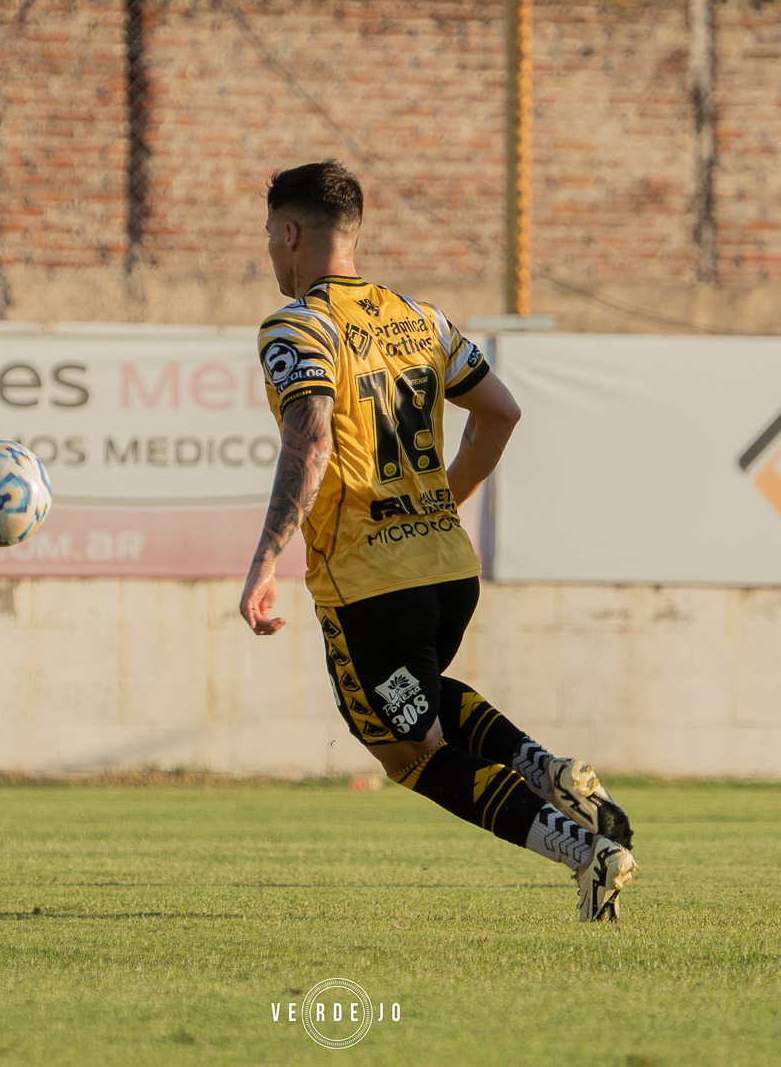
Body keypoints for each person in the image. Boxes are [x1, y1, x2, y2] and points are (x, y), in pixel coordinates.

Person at [237, 160, 637, 922]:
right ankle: (549, 770)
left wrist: (264, 563)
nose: (269, 252)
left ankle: (584, 852)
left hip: (368, 583)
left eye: (268, 236)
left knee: (407, 754)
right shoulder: (424, 319)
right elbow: (502, 414)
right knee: (420, 704)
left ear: (290, 234)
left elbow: (312, 435)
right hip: (449, 572)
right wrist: (438, 506)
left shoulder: (297, 327)